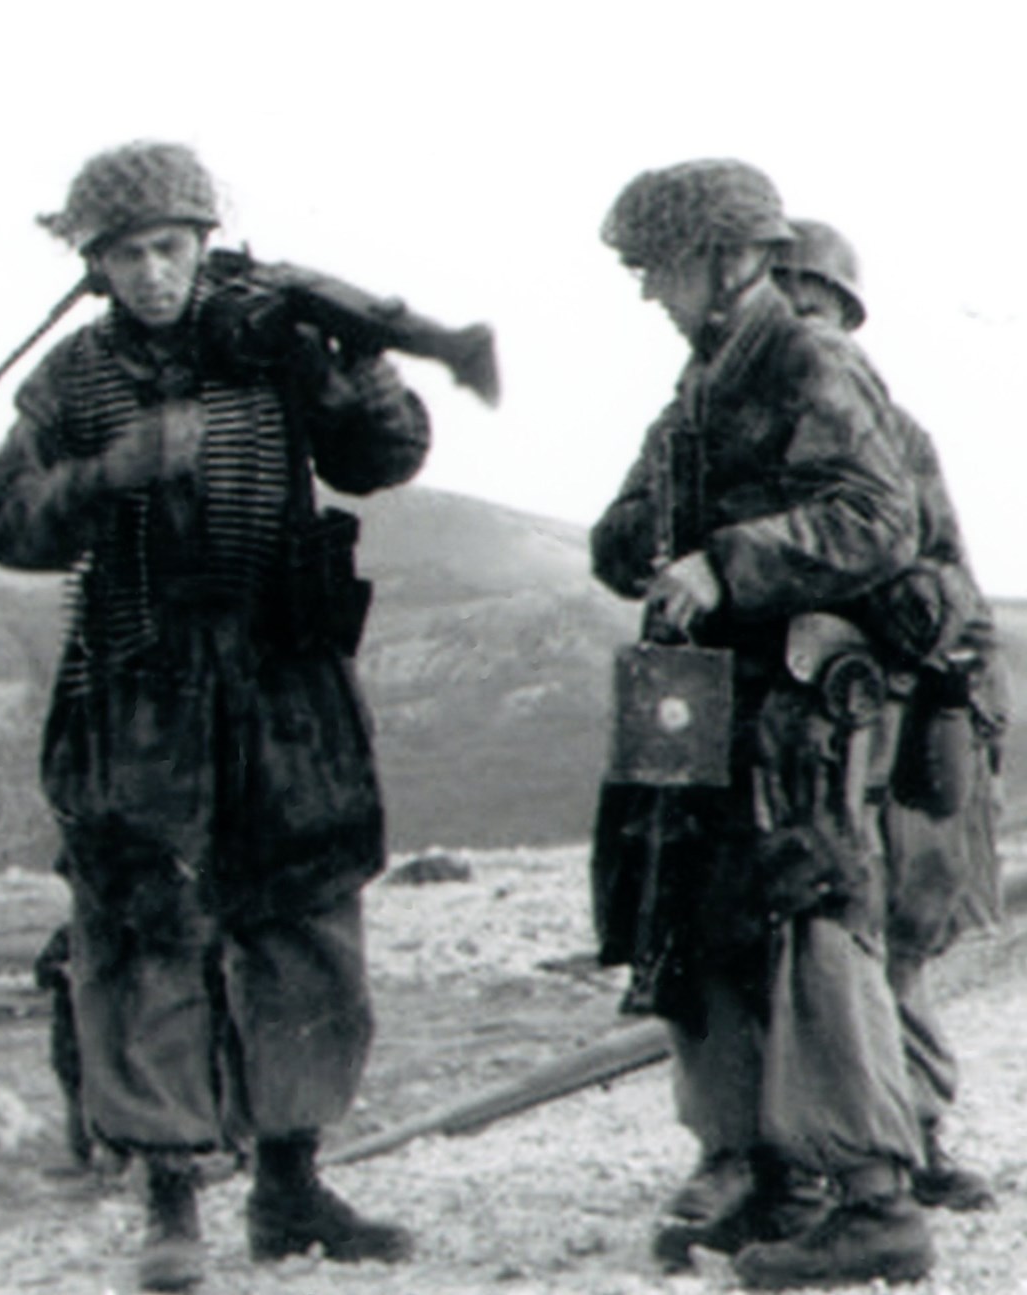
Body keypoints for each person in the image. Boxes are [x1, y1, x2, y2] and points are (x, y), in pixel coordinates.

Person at [0, 141, 431, 1291]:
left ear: (203, 245)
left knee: (306, 913)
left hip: (282, 680)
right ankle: (171, 1193)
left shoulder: (274, 349)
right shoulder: (73, 381)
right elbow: (6, 523)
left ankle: (291, 1179)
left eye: (171, 247)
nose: (153, 273)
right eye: (127, 254)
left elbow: (385, 455)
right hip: (138, 685)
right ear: (95, 266)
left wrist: (356, 355)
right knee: (137, 927)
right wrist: (106, 472)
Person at [589, 159, 937, 1287]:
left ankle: (878, 1198)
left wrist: (726, 562)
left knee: (812, 922)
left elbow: (880, 519)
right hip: (702, 700)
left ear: (728, 258)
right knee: (701, 921)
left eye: (660, 268)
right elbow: (628, 518)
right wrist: (635, 536)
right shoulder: (702, 379)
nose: (650, 292)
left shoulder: (808, 356)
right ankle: (766, 1173)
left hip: (788, 701)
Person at [775, 218, 1008, 1212]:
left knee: (904, 932)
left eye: (814, 299)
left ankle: (918, 1131)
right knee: (816, 934)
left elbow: (950, 567)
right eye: (782, 297)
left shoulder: (898, 435)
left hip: (903, 714)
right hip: (801, 722)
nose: (797, 316)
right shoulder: (737, 428)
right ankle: (787, 1157)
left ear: (846, 314)